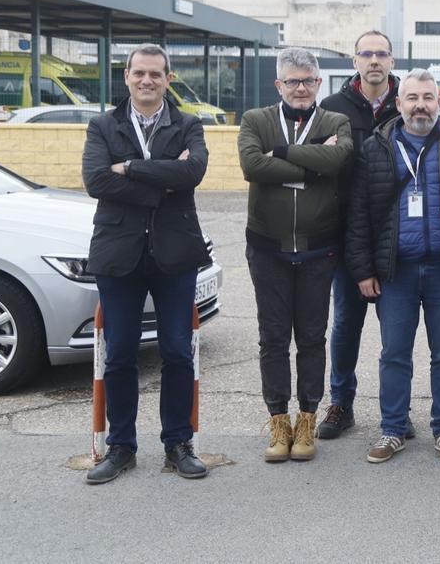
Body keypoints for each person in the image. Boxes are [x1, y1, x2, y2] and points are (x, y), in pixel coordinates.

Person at [345, 69, 440, 464]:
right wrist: (363, 270)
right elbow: (357, 214)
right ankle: (392, 428)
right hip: (394, 272)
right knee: (394, 353)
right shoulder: (376, 149)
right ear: (399, 103)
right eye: (412, 97)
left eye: (428, 97)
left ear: (439, 103)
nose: (420, 105)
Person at [81, 43, 211, 484]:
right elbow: (96, 180)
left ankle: (178, 443)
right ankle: (121, 447)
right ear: (127, 77)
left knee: (177, 351)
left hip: (175, 256)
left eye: (156, 74)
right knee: (118, 355)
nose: (147, 81)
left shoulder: (189, 124)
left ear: (168, 79)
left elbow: (192, 174)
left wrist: (130, 168)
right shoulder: (102, 125)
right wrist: (160, 180)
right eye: (139, 73)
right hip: (118, 257)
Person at [238, 47, 353, 462]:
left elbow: (338, 158)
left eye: (308, 80)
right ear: (278, 85)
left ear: (320, 83)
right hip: (267, 249)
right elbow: (252, 166)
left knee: (310, 338)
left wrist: (283, 153)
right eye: (292, 81)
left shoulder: (335, 121)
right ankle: (278, 422)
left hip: (318, 250)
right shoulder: (256, 120)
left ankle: (307, 420)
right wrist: (313, 161)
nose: (300, 88)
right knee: (272, 339)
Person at [315, 31, 402, 440]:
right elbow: (315, 165)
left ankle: (395, 412)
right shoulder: (332, 109)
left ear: (392, 61)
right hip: (347, 235)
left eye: (381, 54)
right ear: (354, 61)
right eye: (366, 54)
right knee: (347, 321)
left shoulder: (408, 103)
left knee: (395, 329)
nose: (374, 61)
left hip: (398, 235)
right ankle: (340, 404)